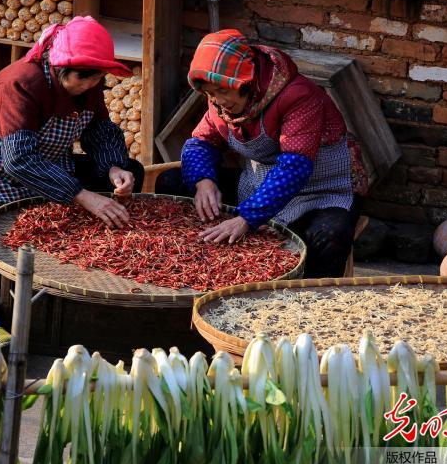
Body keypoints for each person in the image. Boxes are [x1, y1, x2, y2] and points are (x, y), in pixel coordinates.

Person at [0, 16, 144, 344]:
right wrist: (82, 195)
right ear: (61, 67)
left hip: (46, 164)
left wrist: (113, 169)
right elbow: (18, 160)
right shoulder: (20, 82)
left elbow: (99, 129)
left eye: (97, 78)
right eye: (84, 77)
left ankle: (100, 259)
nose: (91, 85)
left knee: (132, 168)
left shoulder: (87, 85)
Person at [156, 29, 368, 278]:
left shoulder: (299, 97)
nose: (217, 100)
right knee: (172, 181)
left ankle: (305, 305)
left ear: (244, 81)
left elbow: (294, 167)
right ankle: (193, 265)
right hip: (258, 185)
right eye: (210, 94)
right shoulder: (218, 104)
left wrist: (247, 217)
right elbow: (200, 142)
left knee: (330, 235)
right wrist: (204, 182)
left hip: (322, 191)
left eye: (223, 91)